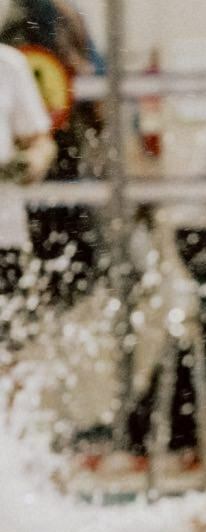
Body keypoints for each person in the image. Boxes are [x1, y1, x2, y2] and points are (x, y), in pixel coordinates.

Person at [0, 31, 53, 351]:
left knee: (8, 353)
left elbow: (40, 142)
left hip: (3, 235)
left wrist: (28, 164)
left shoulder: (9, 65)